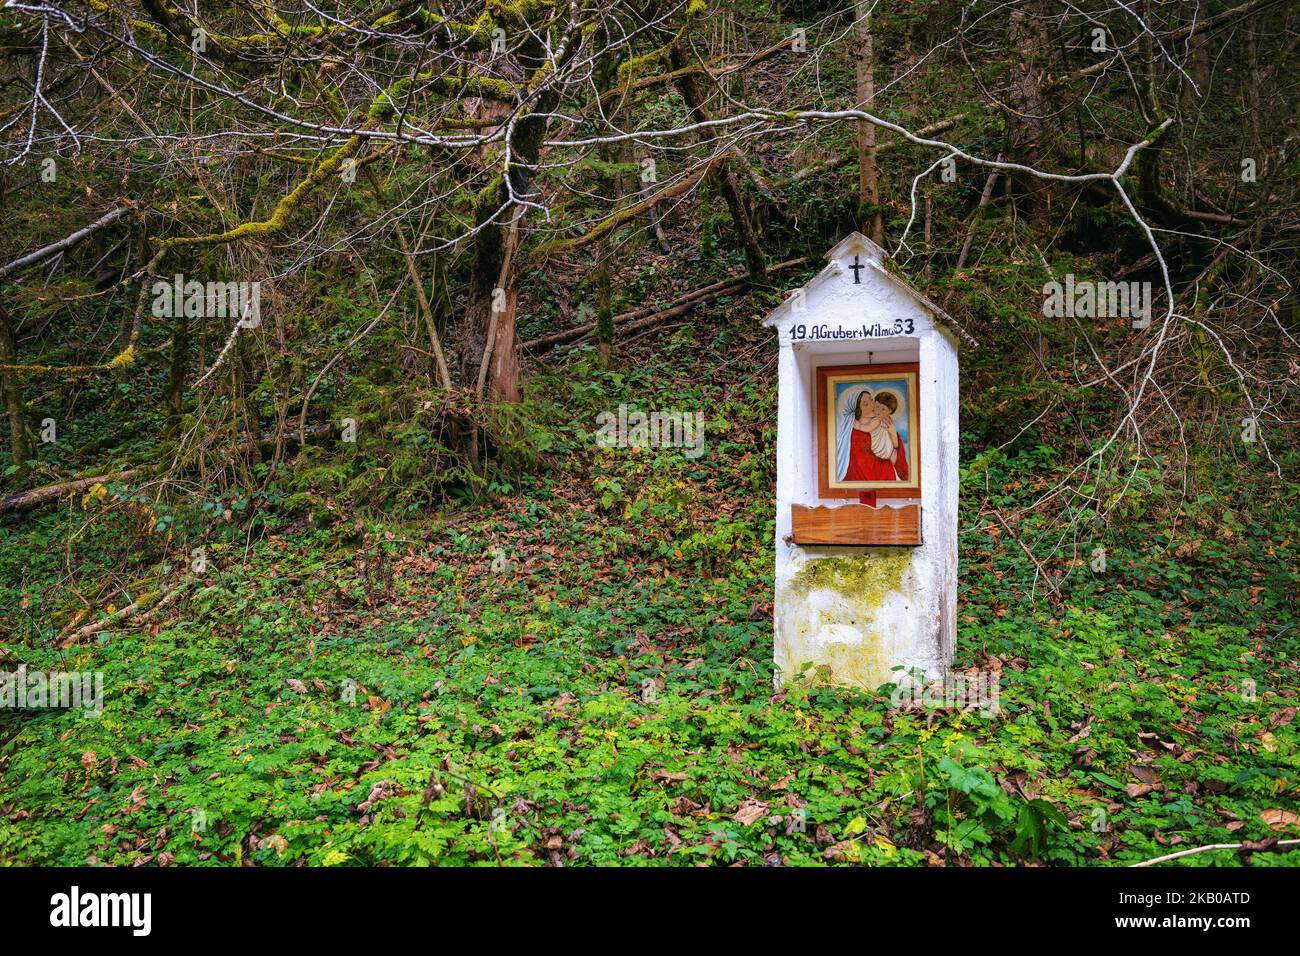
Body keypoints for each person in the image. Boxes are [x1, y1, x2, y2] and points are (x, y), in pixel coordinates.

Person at [842, 391, 907, 482]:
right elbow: (861, 463)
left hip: (885, 461)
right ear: (858, 408)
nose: (872, 405)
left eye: (872, 400)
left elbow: (896, 449)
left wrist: (892, 433)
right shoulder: (854, 432)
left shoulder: (879, 420)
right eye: (866, 404)